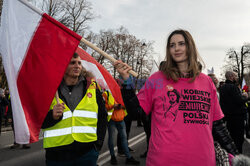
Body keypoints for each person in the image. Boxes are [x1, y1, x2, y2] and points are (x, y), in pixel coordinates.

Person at [114, 29, 238, 166]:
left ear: (190, 46)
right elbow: (136, 113)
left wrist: (237, 157)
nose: (176, 48)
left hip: (203, 160)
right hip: (163, 161)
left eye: (181, 44)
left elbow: (218, 126)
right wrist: (126, 82)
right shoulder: (157, 79)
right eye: (172, 45)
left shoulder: (207, 82)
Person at [41, 52, 107, 166]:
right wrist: (52, 116)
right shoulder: (50, 89)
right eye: (72, 63)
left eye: (79, 63)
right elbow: (38, 121)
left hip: (87, 154)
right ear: (63, 65)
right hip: (56, 157)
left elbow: (102, 116)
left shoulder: (91, 87)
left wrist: (98, 144)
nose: (77, 66)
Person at [102, 90, 140, 165]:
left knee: (124, 138)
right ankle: (113, 157)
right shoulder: (105, 94)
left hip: (121, 119)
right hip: (111, 120)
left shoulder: (120, 92)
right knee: (111, 139)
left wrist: (122, 106)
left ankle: (128, 157)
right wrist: (113, 106)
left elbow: (125, 104)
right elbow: (104, 107)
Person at [219, 71, 249, 153]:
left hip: (228, 117)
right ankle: (238, 155)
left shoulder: (222, 88)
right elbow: (239, 101)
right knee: (239, 139)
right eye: (235, 76)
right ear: (231, 77)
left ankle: (232, 155)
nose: (236, 78)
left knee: (231, 138)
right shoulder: (233, 87)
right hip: (237, 117)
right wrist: (246, 97)